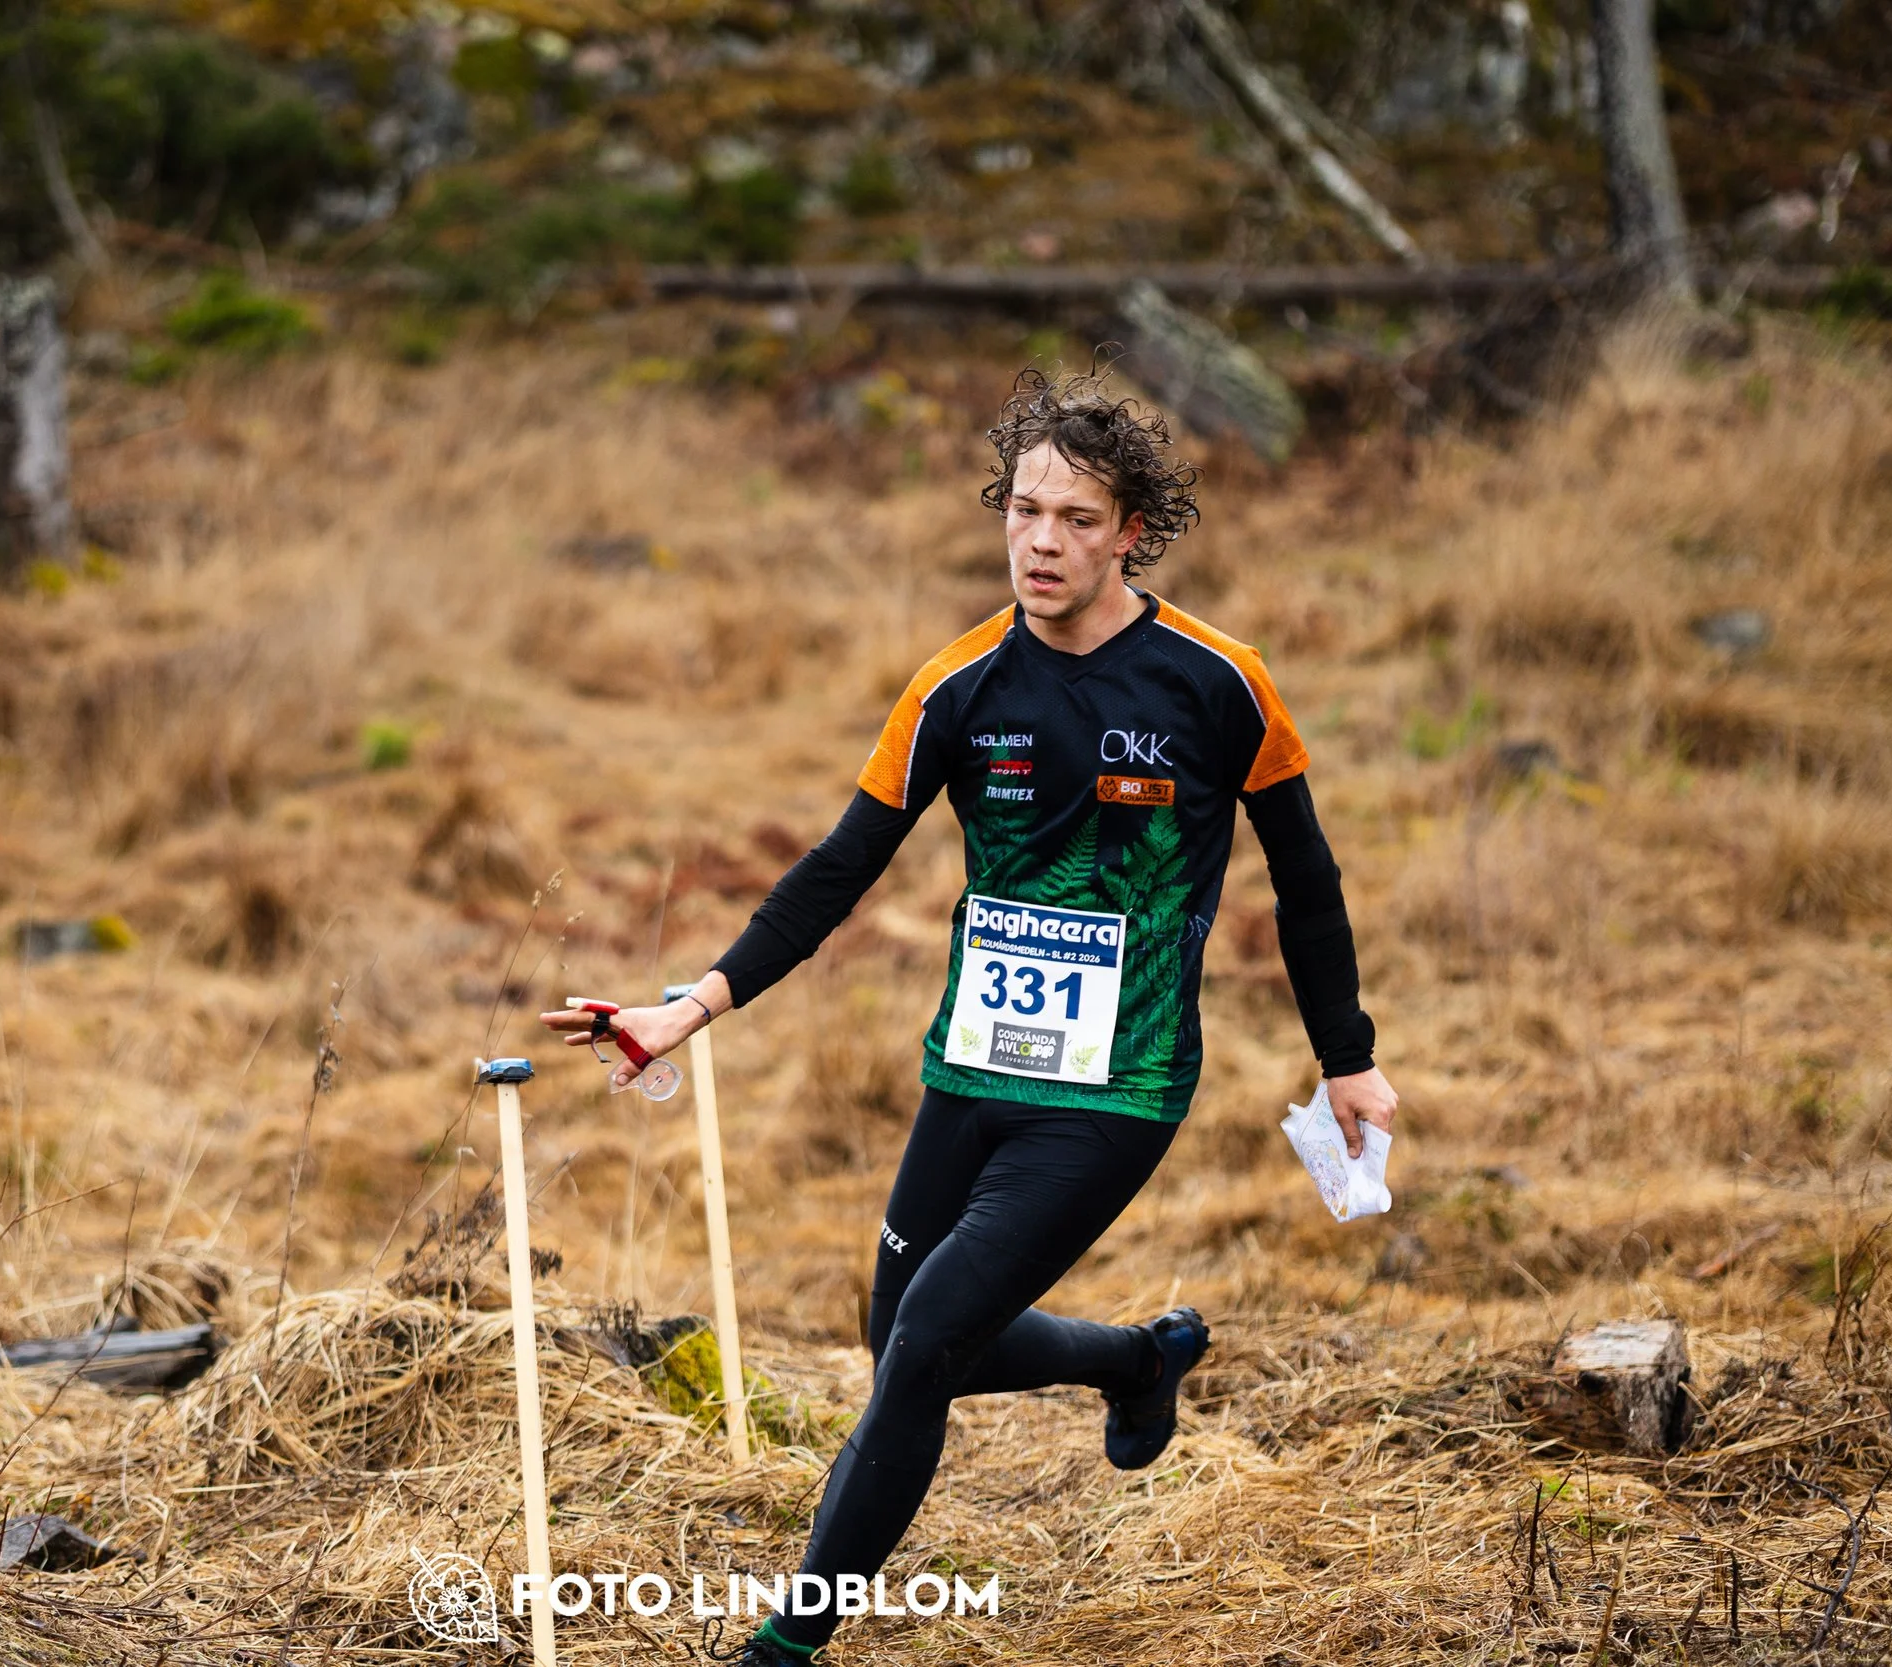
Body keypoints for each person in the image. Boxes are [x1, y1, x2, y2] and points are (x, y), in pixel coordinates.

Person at [541, 368, 1398, 1665]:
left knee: (931, 1334)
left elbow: (1308, 873)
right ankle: (1130, 1358)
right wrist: (691, 1005)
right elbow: (837, 869)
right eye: (1024, 508)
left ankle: (787, 1642)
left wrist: (1350, 1059)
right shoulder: (955, 689)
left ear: (1131, 534)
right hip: (975, 1066)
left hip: (1120, 1083)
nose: (1041, 541)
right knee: (903, 1338)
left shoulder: (1219, 683)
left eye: (1077, 518)